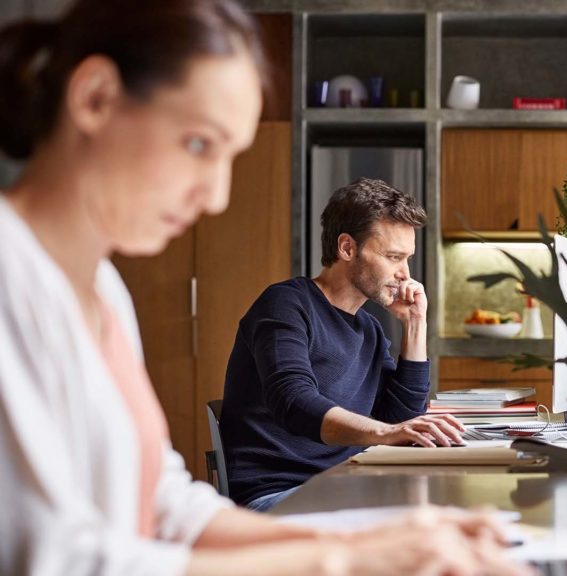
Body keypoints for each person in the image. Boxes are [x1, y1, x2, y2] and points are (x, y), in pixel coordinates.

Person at [0, 1, 528, 574]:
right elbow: (52, 558)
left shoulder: (101, 289)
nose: (217, 196)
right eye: (200, 144)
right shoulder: (11, 275)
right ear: (96, 97)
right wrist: (338, 561)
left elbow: (166, 506)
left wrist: (367, 545)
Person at [221, 177, 465, 511]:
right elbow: (293, 401)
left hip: (346, 486)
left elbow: (401, 421)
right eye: (394, 257)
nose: (405, 274)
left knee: (451, 511)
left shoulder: (369, 329)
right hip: (278, 495)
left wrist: (414, 324)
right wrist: (386, 433)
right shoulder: (285, 305)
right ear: (347, 248)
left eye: (407, 259)